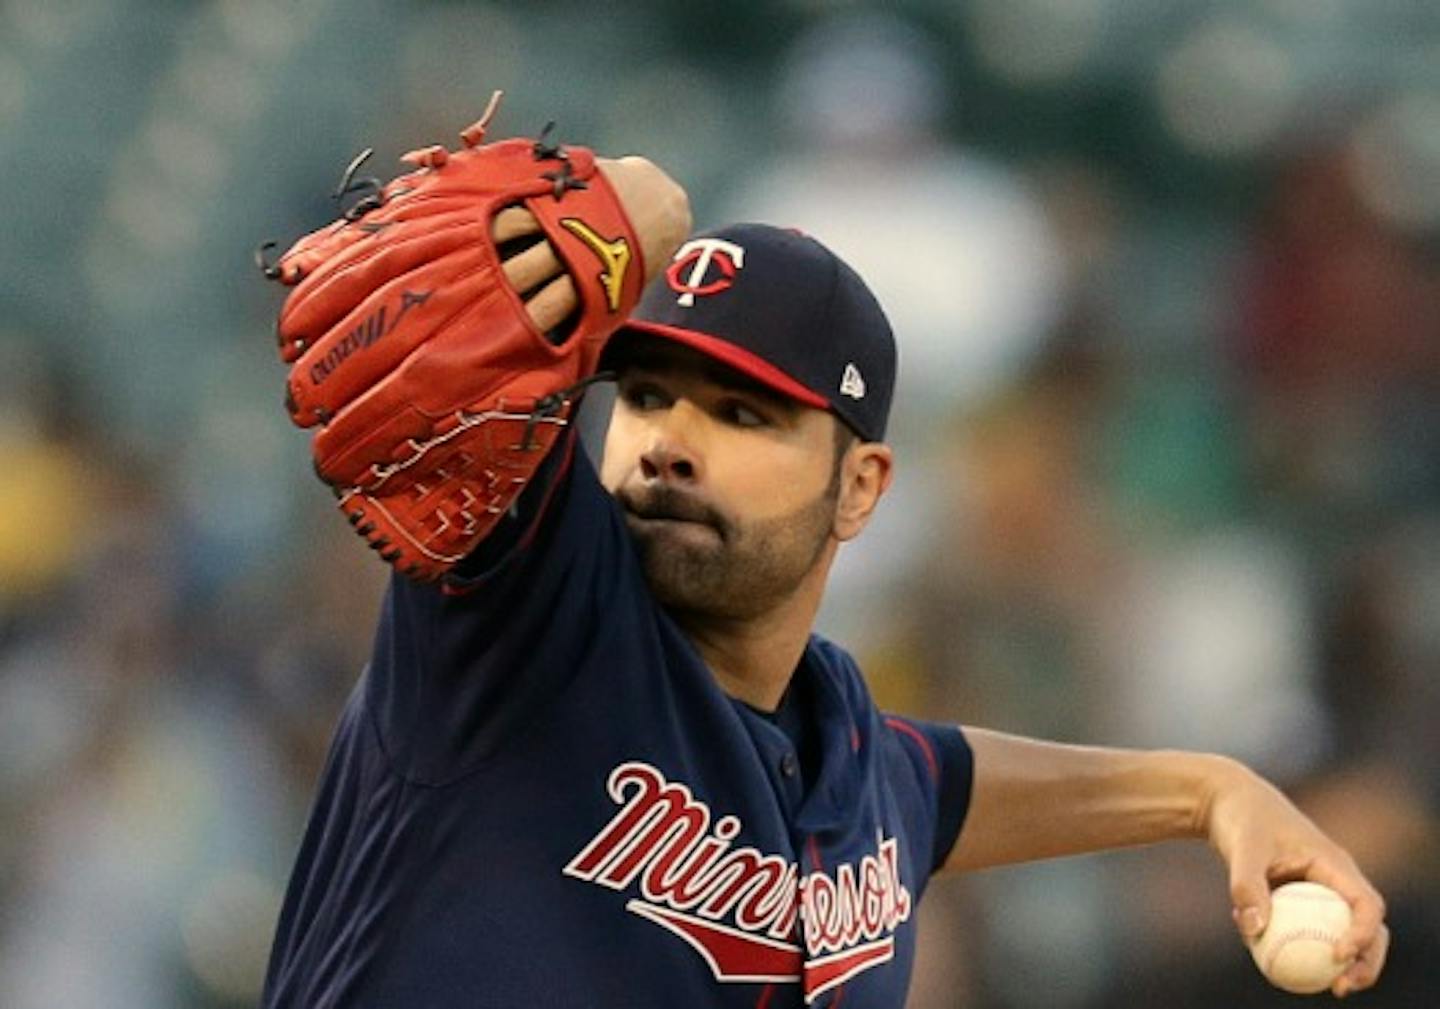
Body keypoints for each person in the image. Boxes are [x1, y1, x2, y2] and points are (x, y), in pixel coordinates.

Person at [260, 155, 1388, 1008]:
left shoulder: (846, 753)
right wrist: (634, 212)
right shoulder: (525, 613)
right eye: (644, 396)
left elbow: (938, 788)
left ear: (861, 488)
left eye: (742, 414)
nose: (664, 442)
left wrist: (1204, 793)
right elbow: (630, 210)